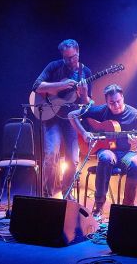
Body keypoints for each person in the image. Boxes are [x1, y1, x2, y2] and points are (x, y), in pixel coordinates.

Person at [68, 84, 137, 218]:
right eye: (112, 103)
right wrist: (83, 133)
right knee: (105, 157)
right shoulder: (101, 111)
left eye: (118, 101)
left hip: (128, 153)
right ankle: (98, 207)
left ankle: (127, 208)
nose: (116, 105)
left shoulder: (134, 114)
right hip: (107, 150)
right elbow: (72, 115)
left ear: (123, 97)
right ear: (106, 102)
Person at [32, 39, 92, 199]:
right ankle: (47, 194)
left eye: (72, 57)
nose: (70, 61)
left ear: (78, 53)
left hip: (70, 120)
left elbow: (86, 104)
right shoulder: (54, 66)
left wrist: (84, 94)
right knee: (51, 154)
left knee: (73, 160)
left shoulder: (85, 72)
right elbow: (36, 86)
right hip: (51, 117)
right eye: (66, 58)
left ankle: (67, 191)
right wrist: (59, 85)